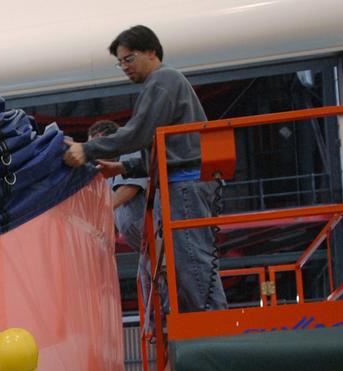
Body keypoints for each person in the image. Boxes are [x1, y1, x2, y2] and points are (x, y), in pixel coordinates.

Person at [63, 25, 226, 314]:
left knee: (191, 263)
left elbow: (138, 134)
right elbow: (165, 149)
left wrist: (86, 150)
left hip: (183, 186)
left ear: (152, 52)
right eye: (120, 62)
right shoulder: (166, 83)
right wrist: (124, 166)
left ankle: (214, 330)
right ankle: (207, 326)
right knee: (185, 265)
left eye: (129, 58)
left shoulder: (162, 81)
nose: (124, 67)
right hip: (179, 183)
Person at [87, 119, 148, 253]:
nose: (93, 154)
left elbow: (129, 189)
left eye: (95, 147)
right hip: (144, 246)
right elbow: (113, 212)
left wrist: (97, 214)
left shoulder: (131, 150)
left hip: (161, 234)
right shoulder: (107, 175)